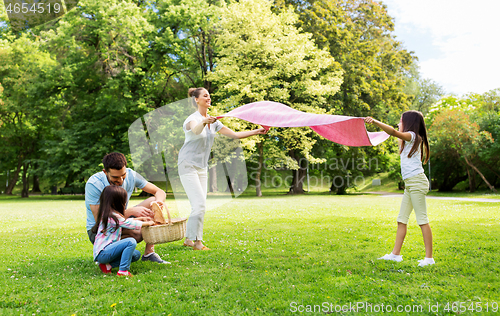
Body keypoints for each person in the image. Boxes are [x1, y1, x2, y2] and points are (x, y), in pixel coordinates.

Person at [179, 87, 267, 250]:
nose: (208, 98)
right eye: (205, 96)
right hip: (187, 164)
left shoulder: (214, 122)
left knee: (199, 204)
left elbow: (234, 135)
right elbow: (196, 130)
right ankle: (198, 243)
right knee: (199, 204)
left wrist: (257, 131)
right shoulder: (192, 119)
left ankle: (188, 239)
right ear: (196, 100)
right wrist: (204, 122)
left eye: (209, 96)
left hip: (201, 167)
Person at [365, 111, 435, 267]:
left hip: (416, 182)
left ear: (409, 123)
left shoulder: (413, 137)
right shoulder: (408, 141)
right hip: (410, 184)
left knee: (422, 220)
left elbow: (393, 132)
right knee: (401, 220)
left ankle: (429, 259)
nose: (398, 123)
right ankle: (395, 255)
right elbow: (392, 133)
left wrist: (376, 121)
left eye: (400, 120)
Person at [85, 152, 169, 264]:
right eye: (115, 177)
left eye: (123, 175)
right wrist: (130, 212)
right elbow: (100, 219)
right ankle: (107, 254)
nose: (121, 180)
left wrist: (158, 203)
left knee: (153, 202)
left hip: (119, 219)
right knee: (137, 232)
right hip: (99, 231)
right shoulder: (94, 184)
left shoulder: (131, 175)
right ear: (105, 172)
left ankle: (149, 253)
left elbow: (159, 191)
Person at [92, 186, 155, 276]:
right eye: (123, 201)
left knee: (135, 254)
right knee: (130, 241)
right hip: (103, 252)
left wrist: (142, 219)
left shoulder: (112, 214)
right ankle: (123, 271)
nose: (125, 203)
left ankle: (108, 266)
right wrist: (148, 223)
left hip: (107, 252)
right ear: (115, 203)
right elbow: (130, 224)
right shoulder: (111, 216)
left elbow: (126, 221)